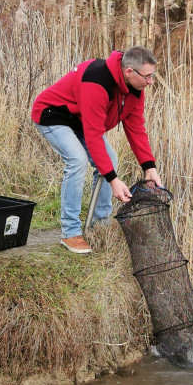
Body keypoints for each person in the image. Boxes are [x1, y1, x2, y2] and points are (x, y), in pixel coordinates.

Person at [31, 46, 162, 254]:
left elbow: (136, 129)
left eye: (152, 76)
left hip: (81, 120)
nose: (151, 82)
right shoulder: (97, 79)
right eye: (147, 76)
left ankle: (100, 225)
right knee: (77, 160)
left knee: (111, 160)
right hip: (53, 115)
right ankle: (70, 232)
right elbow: (93, 135)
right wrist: (113, 180)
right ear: (129, 72)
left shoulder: (136, 89)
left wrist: (149, 166)